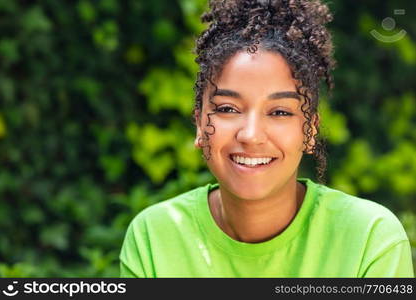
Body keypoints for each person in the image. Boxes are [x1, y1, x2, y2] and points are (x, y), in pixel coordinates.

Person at [119, 0, 414, 277]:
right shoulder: (154, 237)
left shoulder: (369, 237)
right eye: (227, 109)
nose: (250, 135)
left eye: (280, 112)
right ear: (199, 124)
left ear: (310, 129)